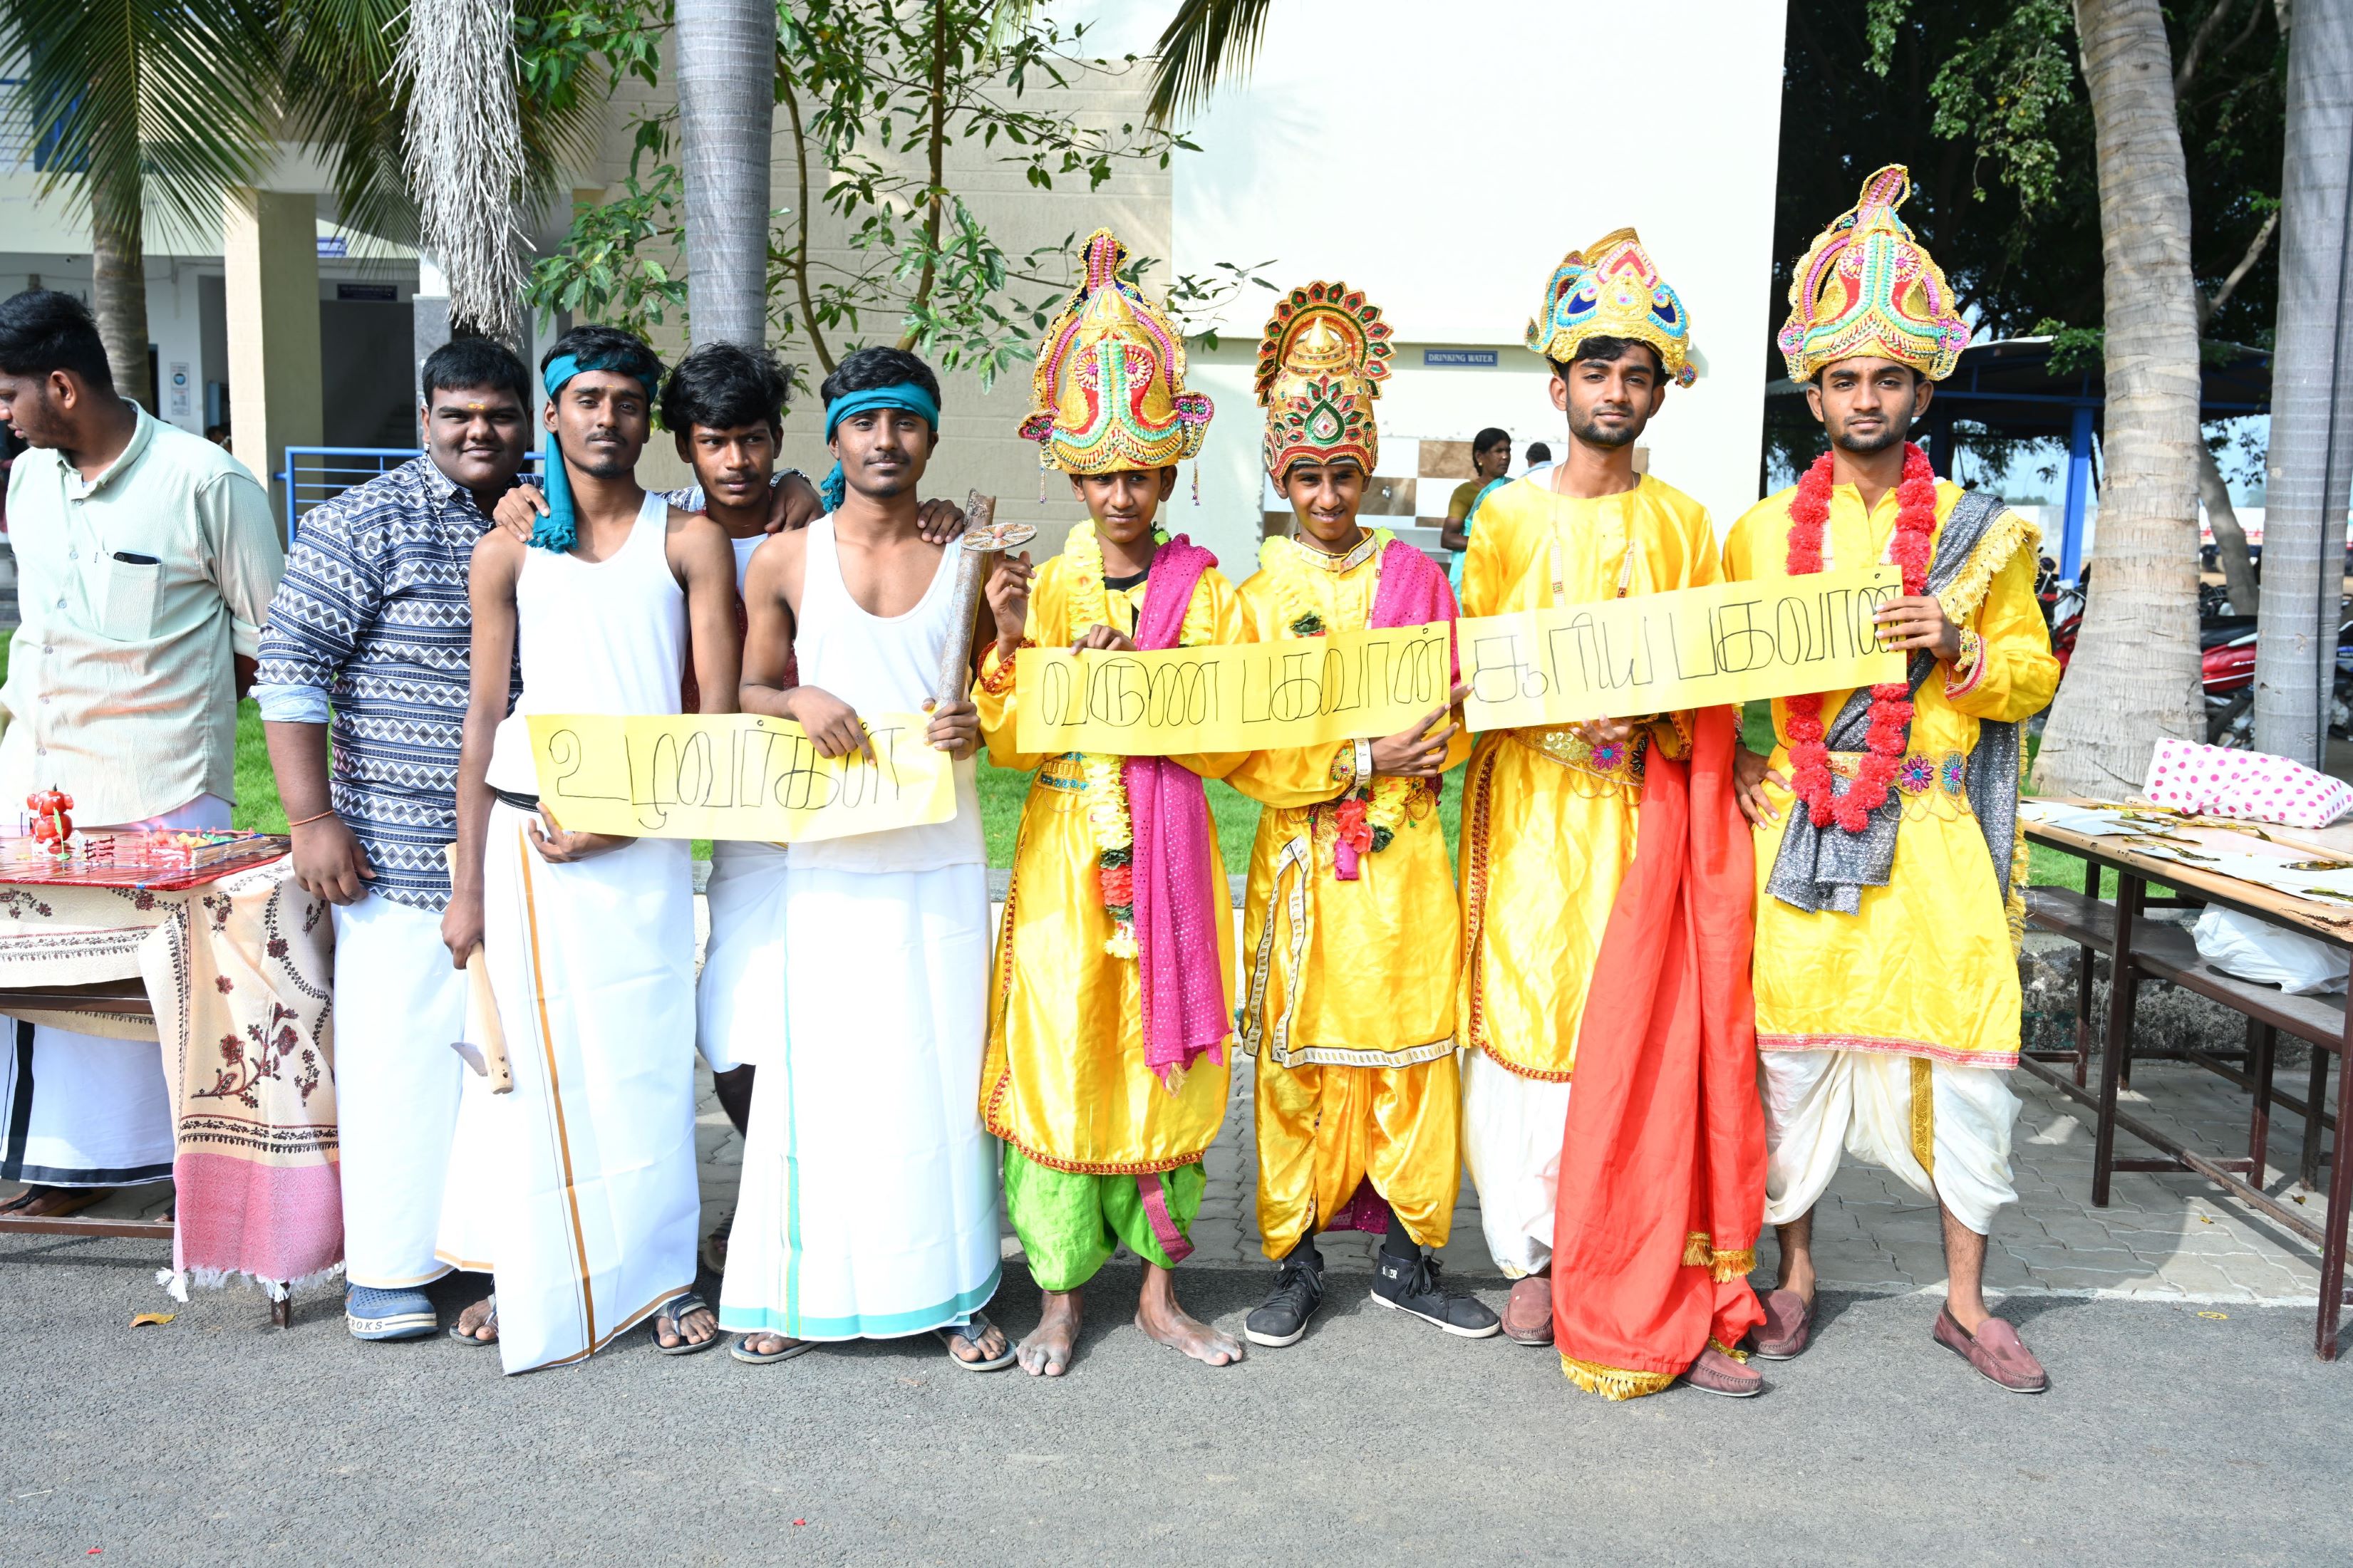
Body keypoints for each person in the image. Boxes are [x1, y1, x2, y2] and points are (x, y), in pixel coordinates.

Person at [492, 348, 970, 1276]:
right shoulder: (668, 532)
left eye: (753, 440)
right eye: (714, 441)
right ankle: (764, 1198)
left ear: (781, 441)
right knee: (732, 1020)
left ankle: (837, 1221)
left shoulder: (819, 519)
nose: (737, 461)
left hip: (859, 808)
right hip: (736, 811)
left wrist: (941, 515)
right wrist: (525, 497)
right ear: (684, 446)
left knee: (856, 1019)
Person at [1727, 167, 2059, 1393]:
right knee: (1789, 1060)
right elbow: (1716, 680)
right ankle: (1794, 1276)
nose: (1863, 398)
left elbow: (2029, 675)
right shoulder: (1760, 534)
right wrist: (1747, 754)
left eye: (1886, 378)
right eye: (1842, 379)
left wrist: (1959, 644)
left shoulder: (1982, 532)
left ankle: (1965, 1304)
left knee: (1969, 1056)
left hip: (1930, 831)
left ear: (1921, 389)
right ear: (1812, 393)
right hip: (1802, 824)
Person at [1455, 232, 1765, 1398]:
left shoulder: (1686, 526)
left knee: (1630, 1028)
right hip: (1530, 807)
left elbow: (1709, 679)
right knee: (1528, 1022)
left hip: (1640, 810)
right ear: (1559, 388)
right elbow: (1469, 668)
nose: (1615, 393)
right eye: (1595, 372)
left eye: (1637, 376)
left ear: (1657, 395)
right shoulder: (1503, 519)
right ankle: (1531, 1257)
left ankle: (1633, 1249)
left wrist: (1687, 733)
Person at [440, 324, 742, 1371]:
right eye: (587, 398)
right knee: (529, 1064)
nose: (606, 417)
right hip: (528, 836)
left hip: (638, 841)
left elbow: (714, 724)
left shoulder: (688, 540)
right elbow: (484, 719)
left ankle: (658, 1276)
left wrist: (629, 822)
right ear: (554, 412)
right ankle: (525, 1268)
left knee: (642, 1063)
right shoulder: (509, 547)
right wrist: (467, 886)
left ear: (648, 418)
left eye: (625, 400)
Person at [974, 228, 1246, 1376]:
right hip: (1063, 858)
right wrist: (1011, 643)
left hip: (1170, 850)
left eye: (1139, 473)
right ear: (1075, 479)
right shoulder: (1043, 586)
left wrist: (1150, 687)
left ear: (1169, 474)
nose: (1121, 493)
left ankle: (1159, 1295)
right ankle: (1058, 1297)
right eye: (1101, 476)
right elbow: (1007, 739)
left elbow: (1233, 734)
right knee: (1059, 1048)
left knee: (1162, 1060)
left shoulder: (1208, 593)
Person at [717, 346, 1008, 1370]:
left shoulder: (969, 557)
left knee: (936, 1073)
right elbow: (747, 690)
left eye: (905, 421)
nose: (885, 441)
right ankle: (791, 1291)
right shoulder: (786, 559)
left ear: (932, 434)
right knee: (823, 1074)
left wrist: (979, 721)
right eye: (864, 422)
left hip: (940, 850)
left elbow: (1000, 686)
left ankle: (953, 1291)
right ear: (835, 436)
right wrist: (798, 696)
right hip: (830, 854)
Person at [1224, 281, 1496, 1347]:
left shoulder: (1420, 580)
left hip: (1401, 858)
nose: (1329, 495)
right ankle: (1292, 1260)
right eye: (1308, 476)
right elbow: (1241, 750)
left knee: (1414, 1050)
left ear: (1366, 468)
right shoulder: (1251, 603)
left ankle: (1408, 1257)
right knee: (1296, 1063)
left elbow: (1457, 714)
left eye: (1344, 473)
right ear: (1281, 476)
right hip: (1300, 865)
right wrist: (1355, 756)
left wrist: (1419, 749)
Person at [254, 336, 534, 1341]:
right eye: (457, 415)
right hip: (397, 851)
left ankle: (499, 1253)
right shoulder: (361, 522)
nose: (478, 432)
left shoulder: (554, 514)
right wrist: (311, 818)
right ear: (425, 420)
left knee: (510, 1063)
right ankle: (390, 1268)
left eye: (498, 414)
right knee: (403, 1064)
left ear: (528, 421)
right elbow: (291, 672)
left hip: (533, 844)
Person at [0, 289, 282, 1217]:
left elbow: (270, 636)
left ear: (61, 386)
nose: (3, 415)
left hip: (159, 785)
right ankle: (61, 1168)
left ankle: (185, 1169)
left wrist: (176, 711)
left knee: (162, 989)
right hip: (38, 780)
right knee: (40, 982)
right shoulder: (28, 481)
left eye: (8, 395)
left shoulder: (206, 482)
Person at [1441, 426, 1511, 592]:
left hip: (1507, 570)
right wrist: (1490, 545)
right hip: (1474, 576)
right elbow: (1448, 538)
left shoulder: (1515, 488)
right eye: (1498, 451)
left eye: (1508, 450)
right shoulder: (1465, 492)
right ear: (1480, 456)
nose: (1505, 456)